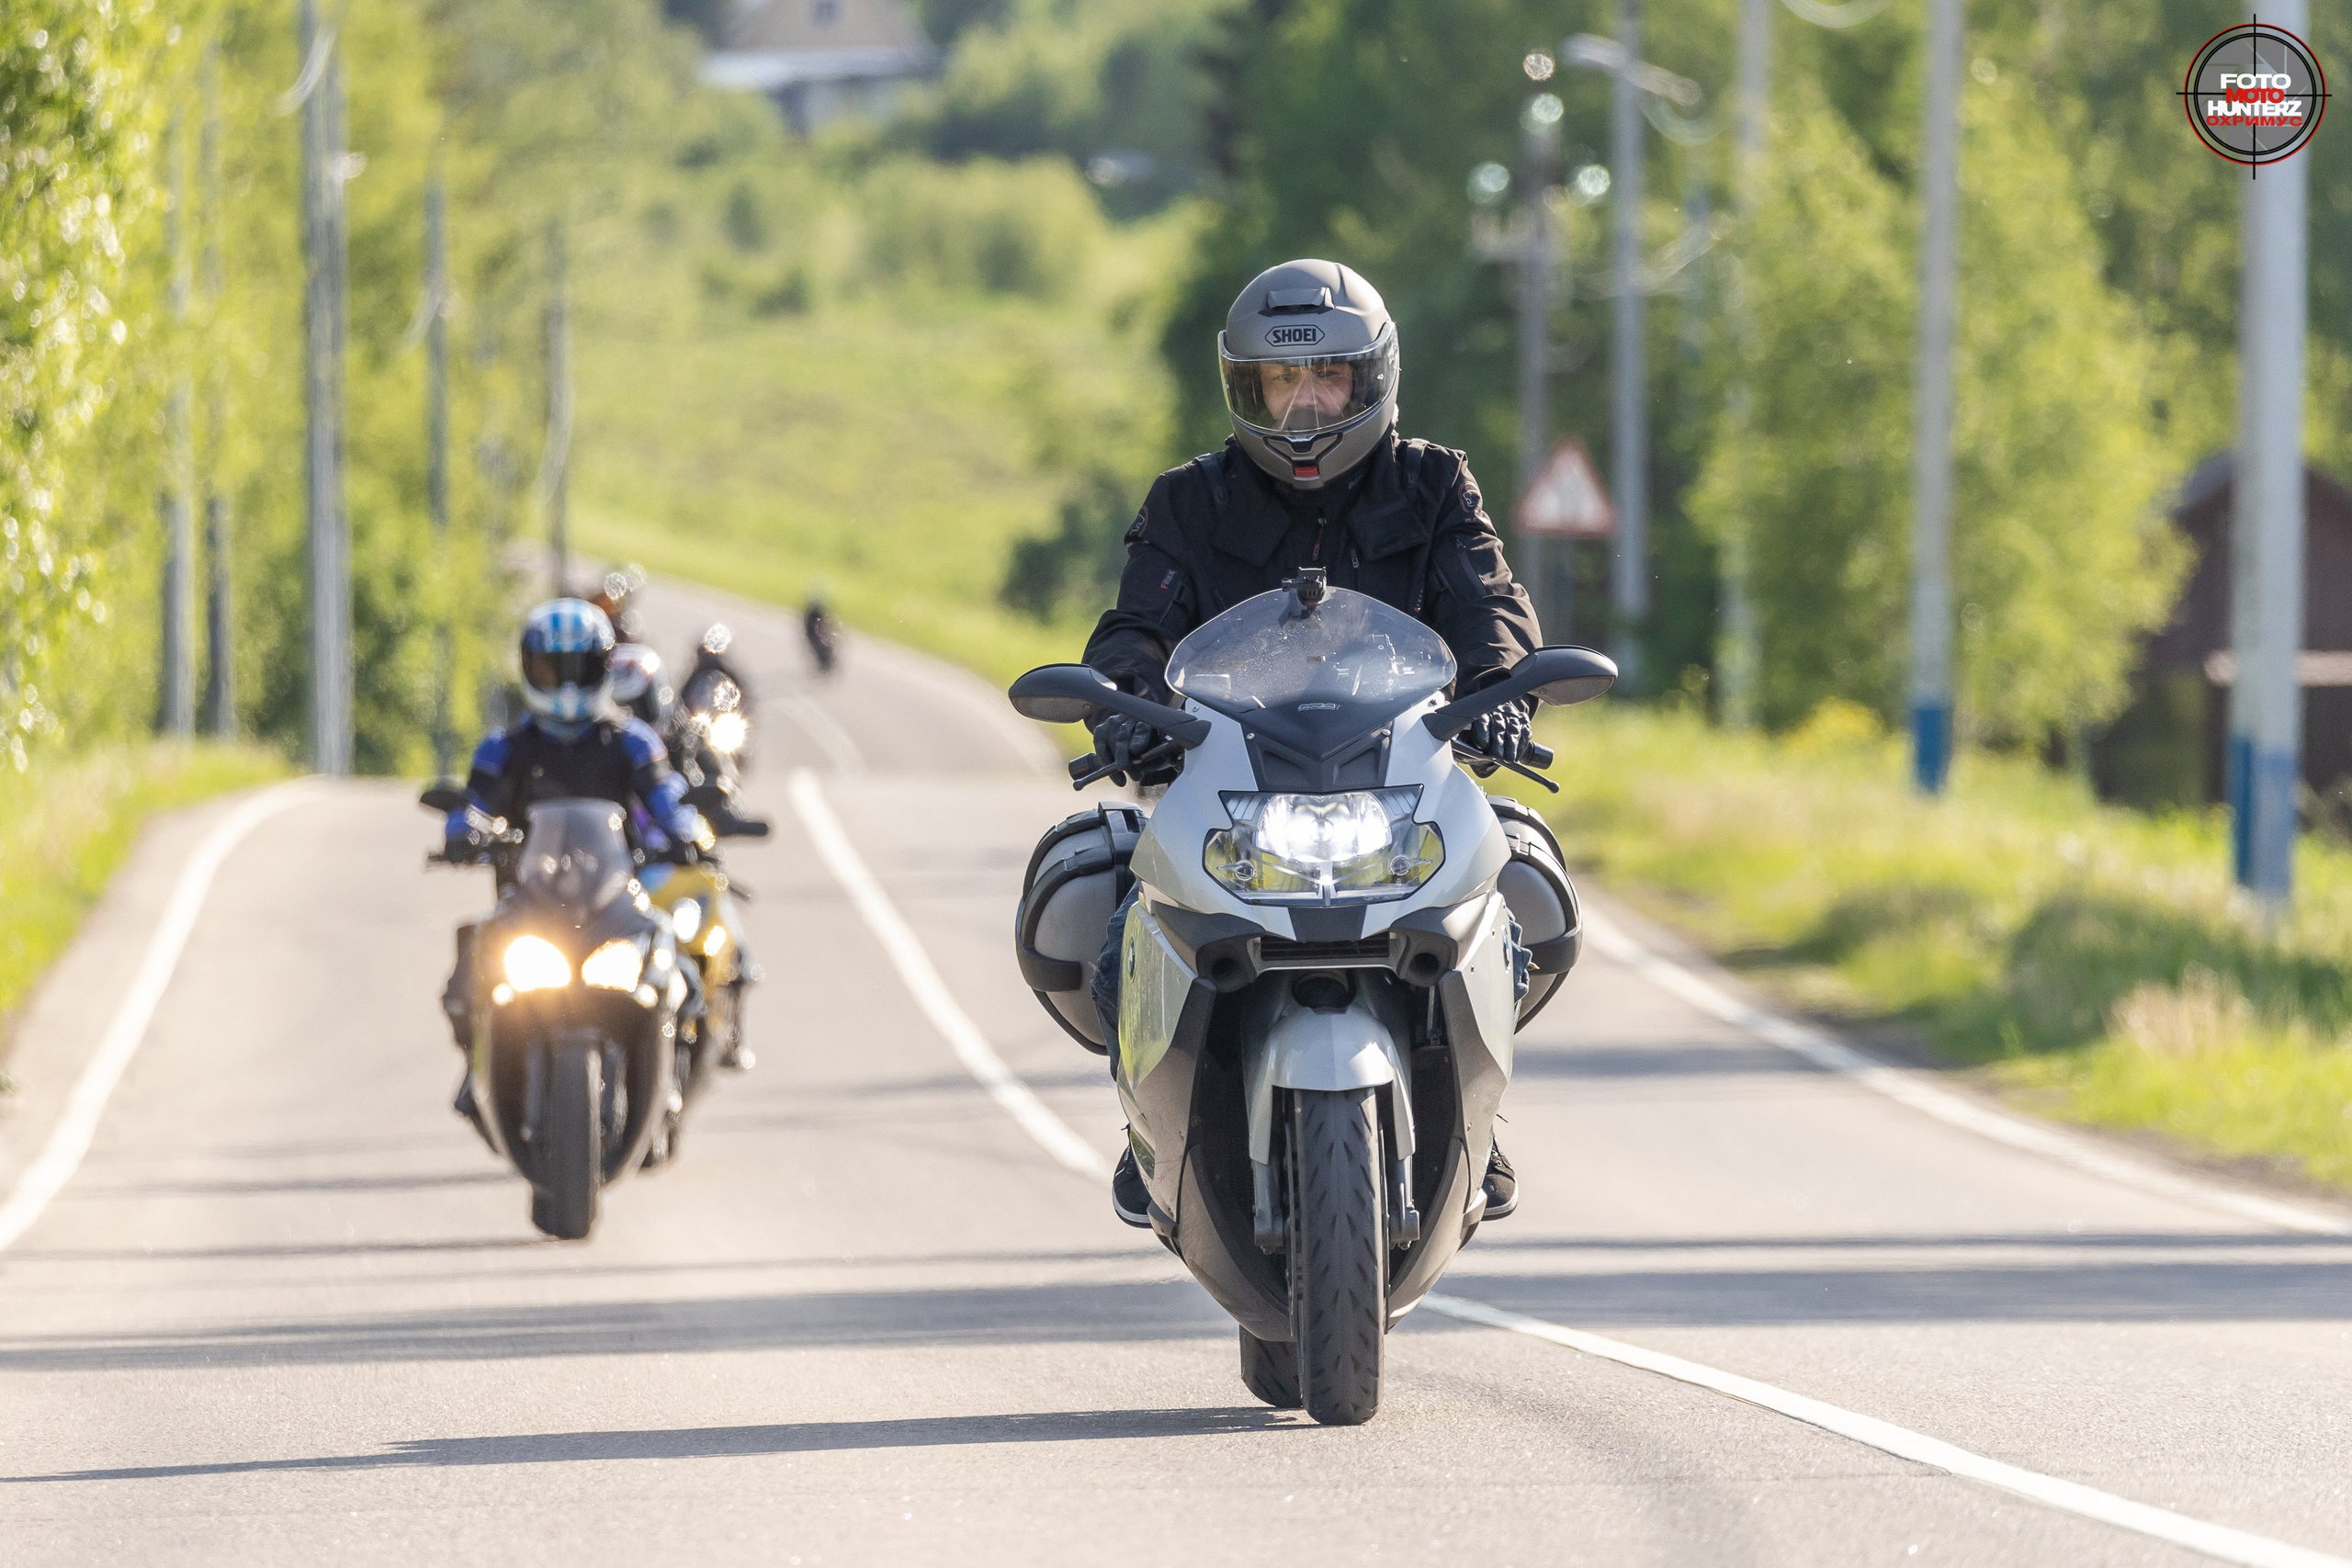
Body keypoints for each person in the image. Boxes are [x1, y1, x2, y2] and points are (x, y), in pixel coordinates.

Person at [1080, 258, 1542, 1228]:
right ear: (1241, 387)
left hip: (1399, 777)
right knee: (1105, 913)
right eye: (1277, 383)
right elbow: (1134, 631)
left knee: (1528, 893)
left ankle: (1476, 1112)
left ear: (1370, 378)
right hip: (1230, 779)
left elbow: (1486, 600)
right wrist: (1123, 701)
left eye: (1324, 378)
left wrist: (1501, 690)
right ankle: (1152, 1123)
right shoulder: (1188, 502)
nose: (1302, 407)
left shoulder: (1431, 483)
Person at [439, 600, 708, 1129]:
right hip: (528, 905)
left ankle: (669, 1082)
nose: (564, 685)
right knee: (463, 983)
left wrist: (685, 831)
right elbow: (476, 800)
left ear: (604, 669)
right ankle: (480, 1073)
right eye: (549, 669)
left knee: (681, 976)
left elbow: (666, 794)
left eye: (578, 669)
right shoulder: (506, 747)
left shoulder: (632, 741)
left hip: (616, 902)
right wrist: (463, 832)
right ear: (527, 668)